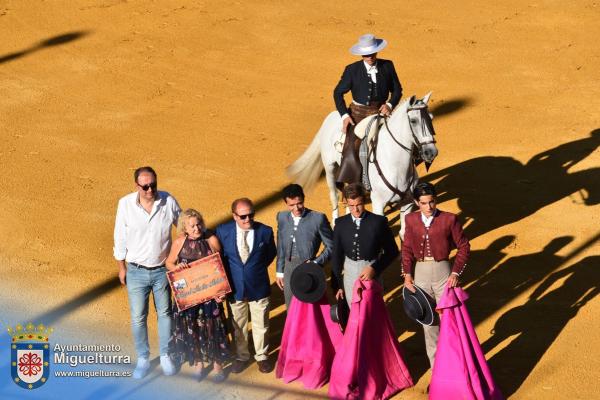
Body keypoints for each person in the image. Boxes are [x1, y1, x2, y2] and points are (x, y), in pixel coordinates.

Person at [113, 166, 181, 379]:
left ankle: (165, 355)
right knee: (138, 317)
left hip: (162, 270)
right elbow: (120, 237)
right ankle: (143, 357)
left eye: (153, 185)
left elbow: (182, 228)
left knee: (165, 314)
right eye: (145, 186)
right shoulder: (125, 204)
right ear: (137, 186)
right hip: (136, 271)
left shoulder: (168, 201)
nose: (150, 190)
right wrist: (121, 267)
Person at [401, 182, 470, 368]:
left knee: (450, 320)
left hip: (443, 272)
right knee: (428, 323)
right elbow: (406, 248)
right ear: (417, 202)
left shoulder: (450, 219)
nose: (429, 207)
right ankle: (437, 369)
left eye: (432, 202)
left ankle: (456, 366)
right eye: (424, 203)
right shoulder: (410, 220)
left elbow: (464, 246)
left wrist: (455, 272)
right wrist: (407, 274)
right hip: (420, 273)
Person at [165, 209, 230, 382]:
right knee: (192, 328)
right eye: (192, 225)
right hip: (189, 297)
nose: (196, 228)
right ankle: (199, 365)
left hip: (210, 296)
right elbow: (169, 263)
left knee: (213, 329)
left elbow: (221, 266)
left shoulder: (211, 240)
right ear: (184, 227)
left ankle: (218, 367)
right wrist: (177, 268)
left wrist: (221, 291)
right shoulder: (179, 242)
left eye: (199, 223)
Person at [216, 198, 277, 374]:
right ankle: (242, 356)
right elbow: (218, 259)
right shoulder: (222, 231)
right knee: (238, 325)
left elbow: (270, 255)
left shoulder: (265, 231)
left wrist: (252, 271)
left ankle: (262, 356)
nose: (247, 219)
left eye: (251, 215)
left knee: (261, 324)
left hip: (258, 286)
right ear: (234, 216)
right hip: (235, 288)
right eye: (243, 216)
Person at [333, 33, 403, 185]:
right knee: (351, 149)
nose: (370, 56)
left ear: (377, 51)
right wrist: (345, 115)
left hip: (381, 113)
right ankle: (352, 188)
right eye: (366, 54)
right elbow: (338, 93)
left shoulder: (387, 66)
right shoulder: (352, 70)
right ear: (361, 54)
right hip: (358, 114)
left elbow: (397, 90)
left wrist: (390, 105)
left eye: (372, 53)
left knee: (404, 139)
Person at [331, 183, 399, 305]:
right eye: (351, 206)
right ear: (346, 202)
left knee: (372, 311)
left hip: (371, 272)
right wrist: (337, 285)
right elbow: (336, 255)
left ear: (364, 201)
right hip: (349, 273)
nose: (356, 210)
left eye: (359, 205)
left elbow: (392, 251)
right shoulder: (340, 223)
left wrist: (374, 268)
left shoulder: (378, 222)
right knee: (354, 313)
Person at [275, 184, 334, 308]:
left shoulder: (318, 218)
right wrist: (280, 271)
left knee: (309, 309)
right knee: (291, 308)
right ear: (286, 203)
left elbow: (331, 246)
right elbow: (280, 245)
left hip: (309, 269)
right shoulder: (281, 217)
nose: (296, 208)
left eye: (299, 203)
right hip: (289, 268)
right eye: (291, 205)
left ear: (303, 199)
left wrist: (316, 263)